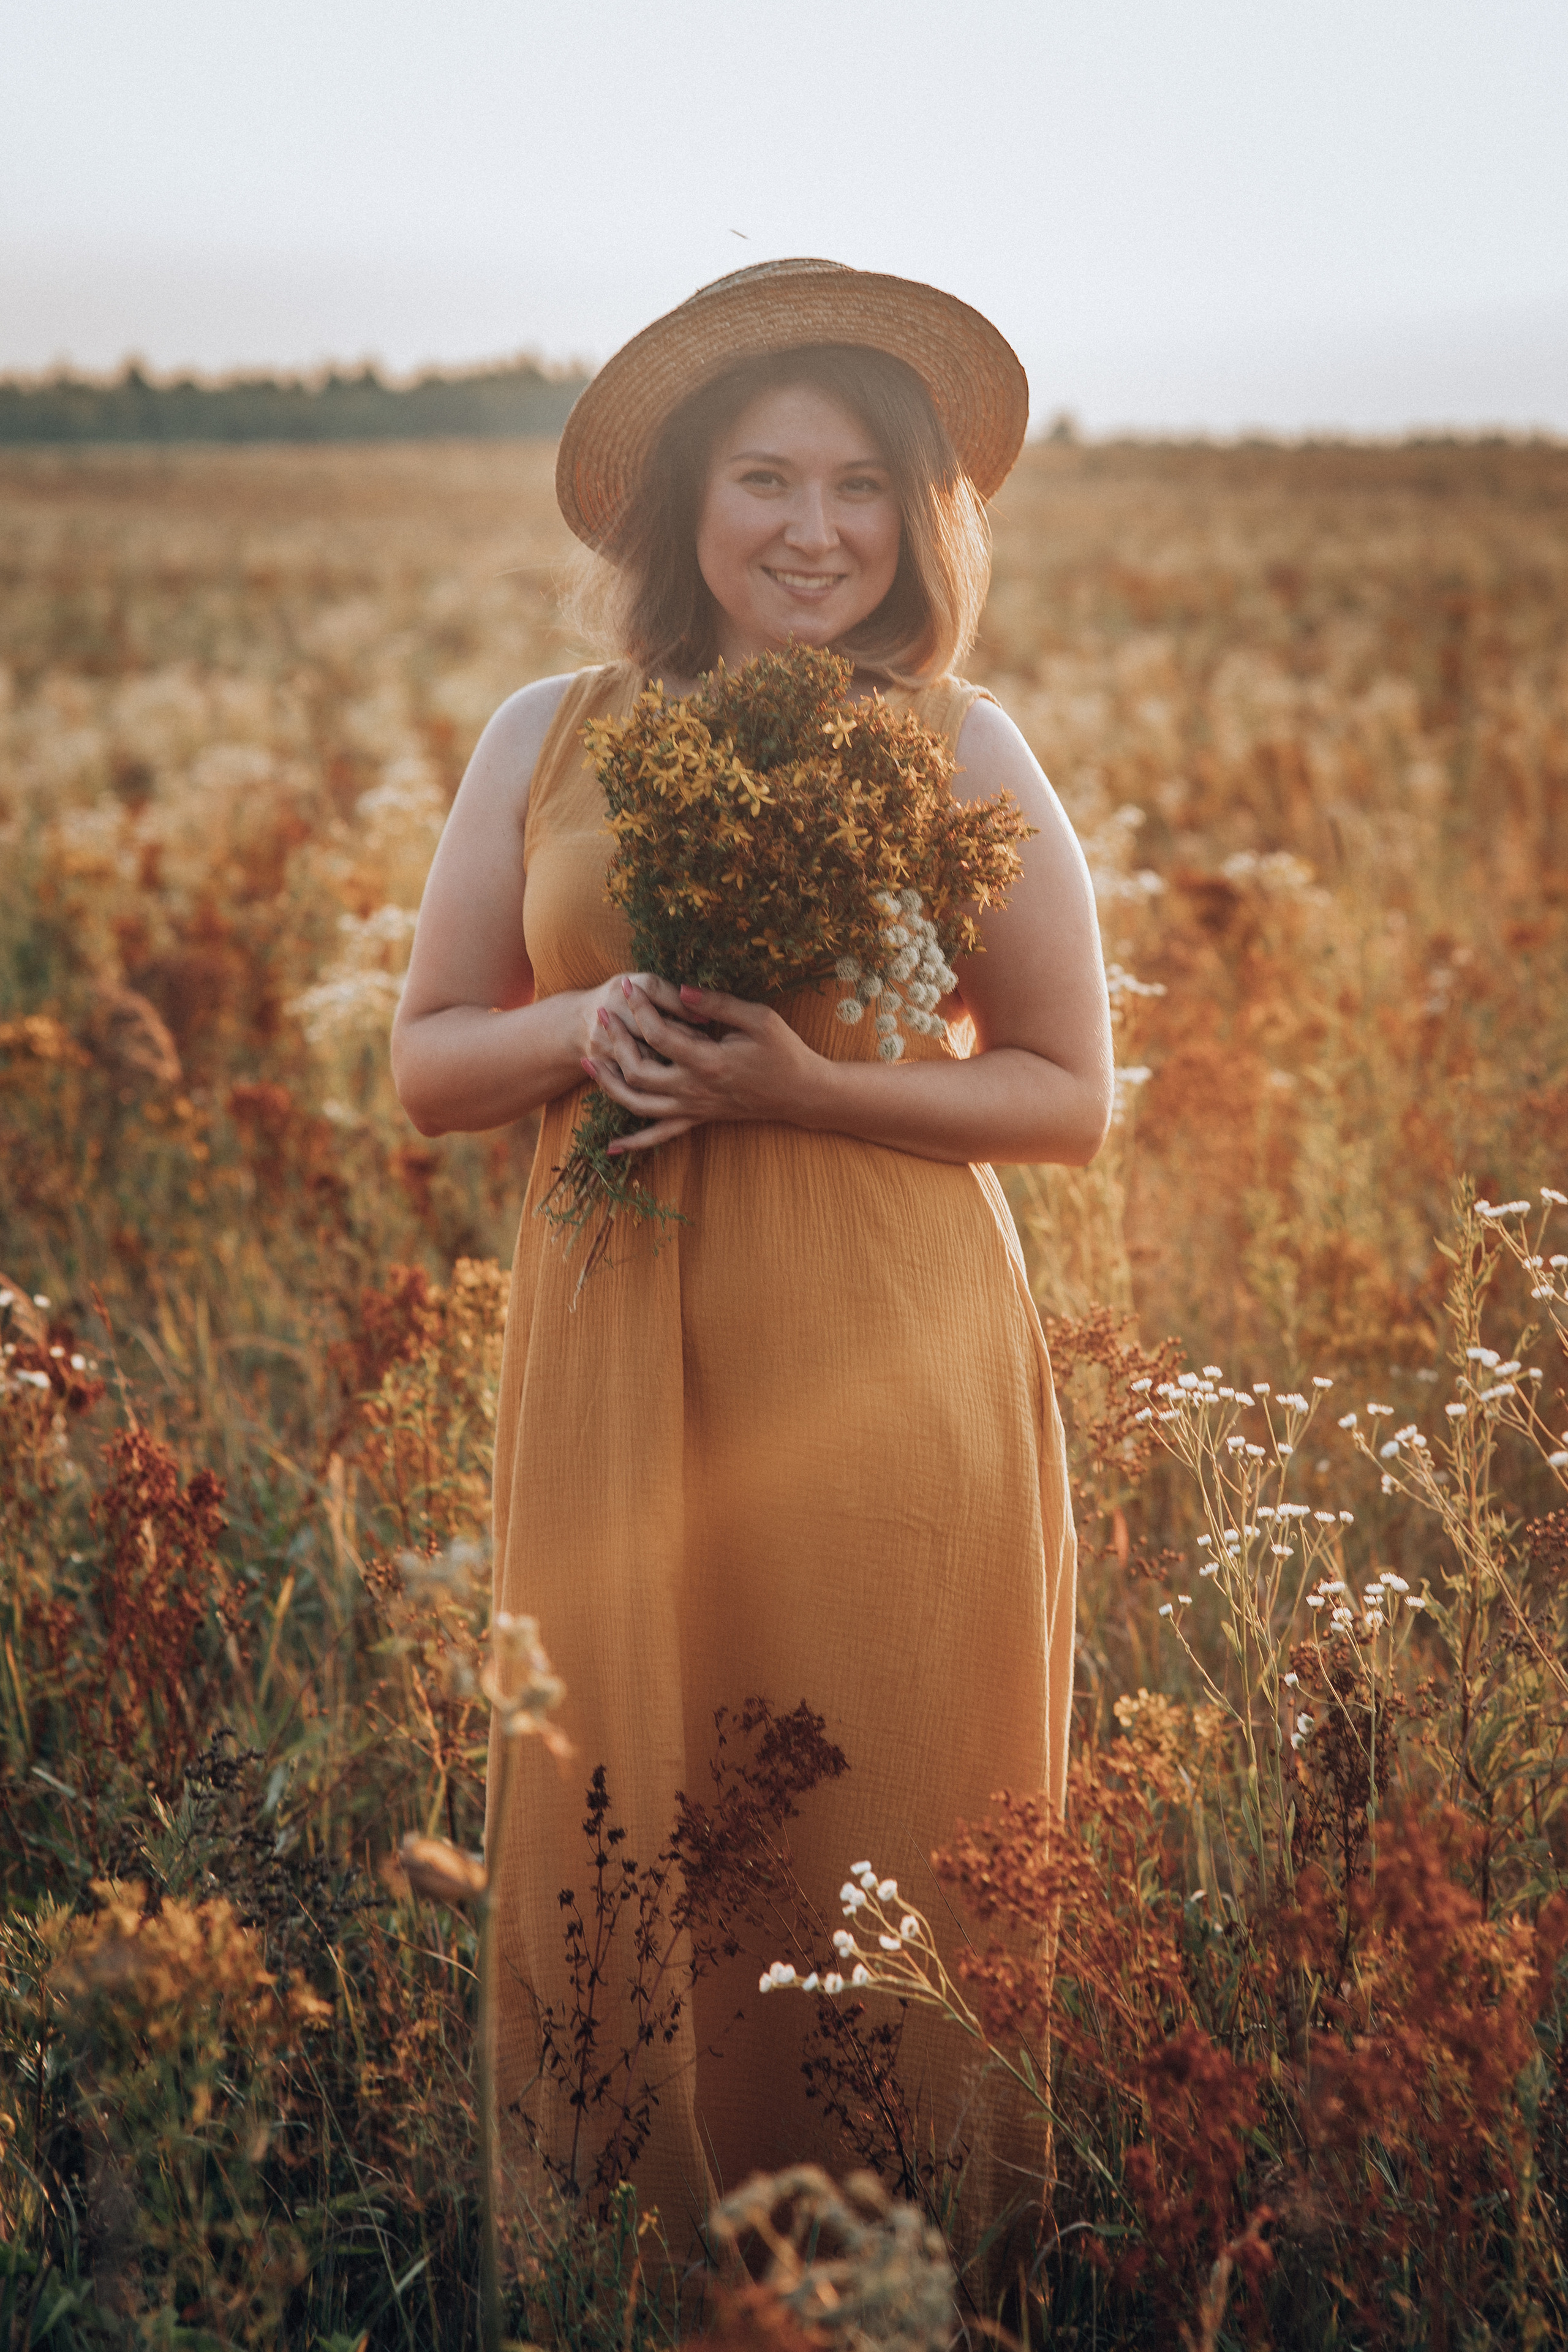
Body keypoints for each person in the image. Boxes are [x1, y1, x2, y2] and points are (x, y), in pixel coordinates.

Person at [391, 259, 1113, 2252]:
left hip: (885, 1357)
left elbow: (1068, 1094)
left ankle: (903, 2266)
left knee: (882, 1798)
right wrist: (581, 1026)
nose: (816, 530)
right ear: (685, 506)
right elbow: (429, 1062)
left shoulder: (965, 746)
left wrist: (805, 1083)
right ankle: (629, 2270)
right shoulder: (549, 734)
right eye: (768, 481)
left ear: (918, 523)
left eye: (863, 486)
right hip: (619, 1349)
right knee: (621, 1791)